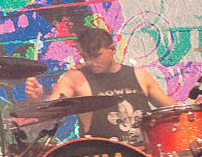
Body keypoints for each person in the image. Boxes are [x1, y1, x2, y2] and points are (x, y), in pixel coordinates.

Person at [24, 25, 175, 141]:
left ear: (112, 49)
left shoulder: (141, 76)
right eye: (85, 57)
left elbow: (174, 111)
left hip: (144, 155)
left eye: (95, 56)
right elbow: (48, 119)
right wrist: (38, 100)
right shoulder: (75, 79)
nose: (90, 62)